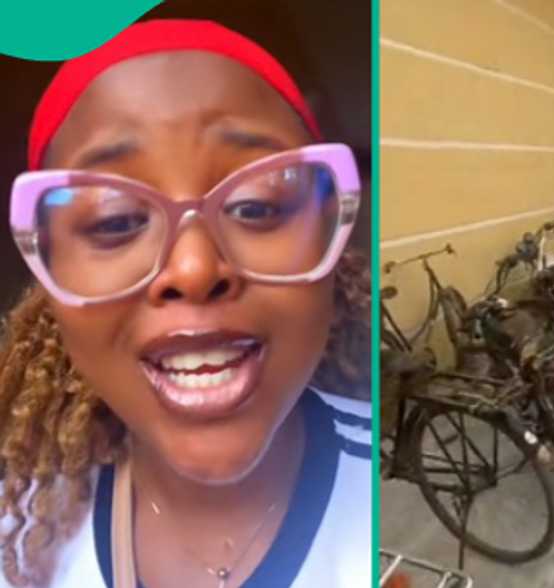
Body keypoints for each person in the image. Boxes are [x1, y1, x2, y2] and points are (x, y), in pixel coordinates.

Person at [0, 19, 371, 587]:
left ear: (331, 232)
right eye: (115, 220)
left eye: (256, 205)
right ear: (48, 272)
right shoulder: (16, 534)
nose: (194, 268)